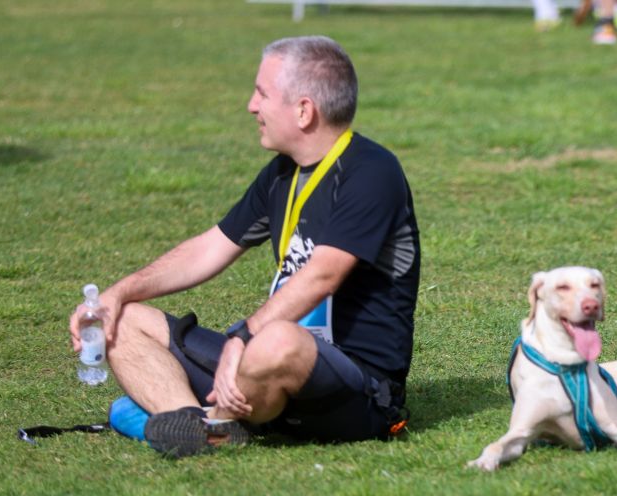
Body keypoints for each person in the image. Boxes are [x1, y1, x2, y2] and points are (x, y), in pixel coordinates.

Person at [69, 36, 421, 458]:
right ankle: (200, 427)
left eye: (262, 93)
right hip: (264, 370)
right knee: (125, 321)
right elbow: (209, 248)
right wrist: (118, 293)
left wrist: (241, 339)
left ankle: (211, 417)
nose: (251, 106)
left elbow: (324, 276)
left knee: (277, 341)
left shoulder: (371, 171)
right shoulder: (281, 175)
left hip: (357, 388)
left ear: (304, 110)